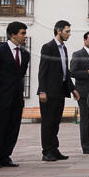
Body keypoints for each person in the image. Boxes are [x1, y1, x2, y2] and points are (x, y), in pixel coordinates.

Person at [37, 20, 77, 161]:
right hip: (48, 92)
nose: (69, 34)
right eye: (67, 31)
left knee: (55, 122)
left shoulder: (63, 48)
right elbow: (42, 70)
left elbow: (65, 71)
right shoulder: (48, 47)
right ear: (58, 31)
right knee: (48, 122)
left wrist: (72, 89)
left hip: (60, 91)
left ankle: (54, 149)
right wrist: (42, 90)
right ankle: (46, 151)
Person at [0, 21, 29, 167]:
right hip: (2, 96)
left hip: (17, 96)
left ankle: (6, 155)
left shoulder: (25, 54)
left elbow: (21, 75)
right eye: (22, 33)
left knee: (13, 127)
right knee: (0, 126)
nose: (25, 36)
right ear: (13, 34)